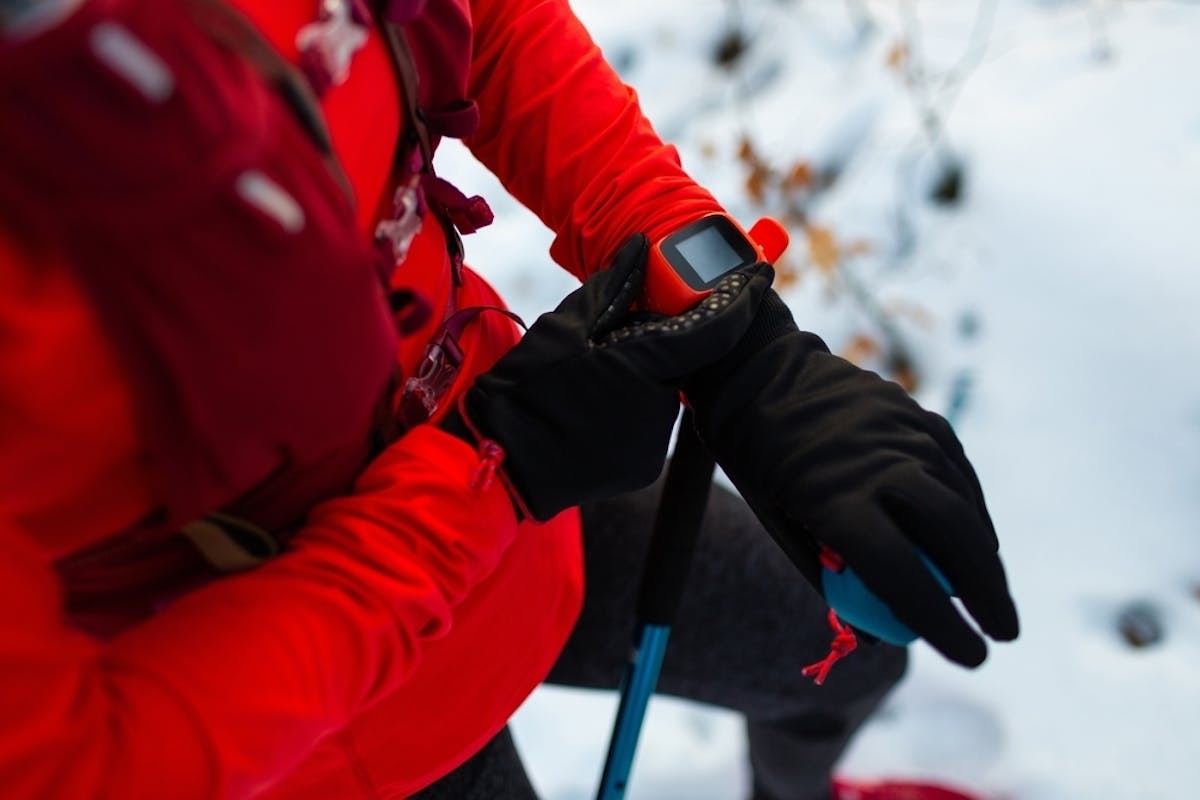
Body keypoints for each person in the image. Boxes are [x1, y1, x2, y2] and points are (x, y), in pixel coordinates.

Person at [0, 1, 1018, 798]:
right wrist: (494, 474)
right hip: (315, 733)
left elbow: (476, 22)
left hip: (522, 502)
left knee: (843, 653)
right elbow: (70, 767)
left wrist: (732, 335)